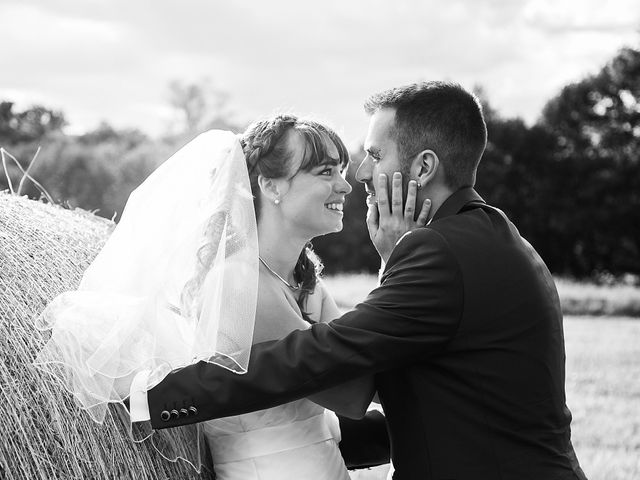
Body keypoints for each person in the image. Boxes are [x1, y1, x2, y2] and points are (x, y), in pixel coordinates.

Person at [139, 82, 588, 480]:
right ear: (269, 186)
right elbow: (359, 379)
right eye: (327, 170)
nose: (358, 176)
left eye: (373, 155)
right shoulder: (490, 235)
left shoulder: (440, 252)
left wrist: (160, 397)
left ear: (423, 167)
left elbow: (334, 365)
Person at [35, 114, 423, 479]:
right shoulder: (243, 284)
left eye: (340, 170)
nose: (344, 184)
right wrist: (393, 261)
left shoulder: (304, 282)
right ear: (271, 186)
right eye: (325, 172)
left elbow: (369, 370)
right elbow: (355, 392)